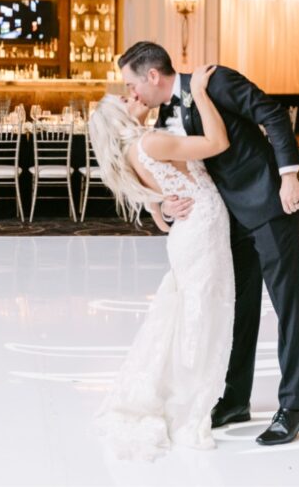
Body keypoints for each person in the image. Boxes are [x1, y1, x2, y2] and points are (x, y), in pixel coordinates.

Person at [118, 41, 299, 448]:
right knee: (241, 309)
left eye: (132, 84)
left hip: (269, 203)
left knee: (287, 306)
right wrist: (165, 200)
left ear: (152, 76)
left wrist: (290, 175)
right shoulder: (167, 112)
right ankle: (236, 399)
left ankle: (295, 405)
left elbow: (273, 114)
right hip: (229, 220)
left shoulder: (215, 80)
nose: (132, 93)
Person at [90, 64, 234, 460]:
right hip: (200, 232)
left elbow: (158, 211)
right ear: (120, 117)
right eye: (126, 99)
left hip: (189, 234)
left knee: (188, 313)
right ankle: (189, 397)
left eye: (129, 90)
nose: (133, 96)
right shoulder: (151, 142)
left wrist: (166, 205)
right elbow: (218, 142)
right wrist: (201, 93)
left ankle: (182, 387)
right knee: (199, 314)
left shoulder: (135, 151)